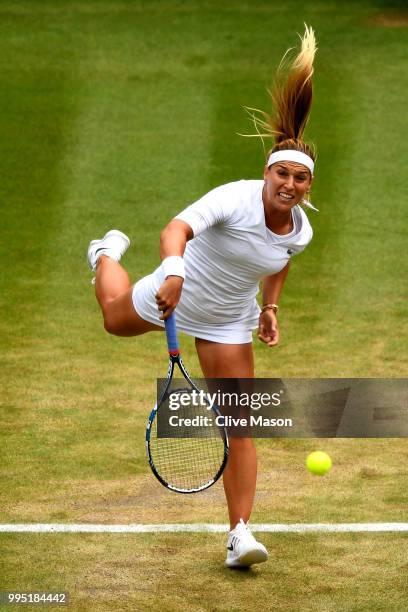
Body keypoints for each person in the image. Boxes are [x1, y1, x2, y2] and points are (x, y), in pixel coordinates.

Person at [87, 26, 317, 568]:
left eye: (299, 179)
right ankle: (103, 254)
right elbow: (175, 230)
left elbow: (279, 263)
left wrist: (269, 306)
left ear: (309, 187)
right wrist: (172, 274)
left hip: (228, 318)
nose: (288, 183)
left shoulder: (301, 230)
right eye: (281, 173)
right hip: (177, 288)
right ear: (267, 174)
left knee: (240, 422)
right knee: (113, 320)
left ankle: (240, 535)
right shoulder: (234, 198)